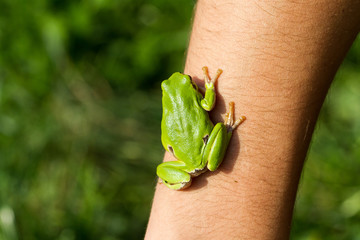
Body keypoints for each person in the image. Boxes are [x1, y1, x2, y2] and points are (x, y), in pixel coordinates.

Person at [145, 0, 360, 239]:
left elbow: (167, 142)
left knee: (161, 168)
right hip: (206, 155)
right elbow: (208, 104)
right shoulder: (196, 97)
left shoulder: (169, 110)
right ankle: (226, 131)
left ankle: (179, 180)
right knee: (218, 127)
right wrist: (209, 88)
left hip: (185, 166)